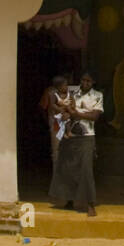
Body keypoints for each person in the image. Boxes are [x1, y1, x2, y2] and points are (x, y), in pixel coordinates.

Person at [48, 70, 104, 217]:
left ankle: (91, 204)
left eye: (88, 81)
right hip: (70, 135)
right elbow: (56, 99)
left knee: (86, 170)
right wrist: (65, 113)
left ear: (93, 83)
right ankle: (69, 200)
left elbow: (95, 116)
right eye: (83, 80)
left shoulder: (97, 96)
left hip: (87, 136)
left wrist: (76, 114)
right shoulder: (72, 92)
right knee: (67, 168)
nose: (85, 83)